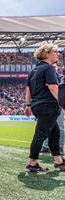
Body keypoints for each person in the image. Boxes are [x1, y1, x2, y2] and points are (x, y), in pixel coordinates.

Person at [25, 44, 65, 173]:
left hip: (38, 105)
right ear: (47, 54)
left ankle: (59, 162)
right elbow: (53, 87)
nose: (57, 54)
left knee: (55, 133)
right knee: (40, 134)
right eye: (55, 52)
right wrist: (62, 104)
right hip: (48, 105)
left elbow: (28, 90)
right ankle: (32, 163)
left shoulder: (33, 70)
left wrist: (28, 105)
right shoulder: (49, 68)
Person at [41, 62, 64, 155]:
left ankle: (59, 148)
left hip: (58, 105)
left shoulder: (61, 78)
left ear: (57, 67)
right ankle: (46, 146)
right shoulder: (45, 77)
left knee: (59, 127)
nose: (52, 68)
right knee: (46, 127)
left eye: (54, 66)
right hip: (47, 105)